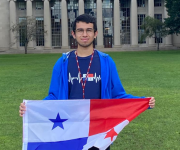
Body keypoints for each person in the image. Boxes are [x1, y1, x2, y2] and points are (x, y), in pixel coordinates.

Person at [19, 14, 155, 150]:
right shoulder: (62, 63)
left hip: (98, 131)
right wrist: (31, 108)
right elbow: (54, 96)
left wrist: (143, 102)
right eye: (80, 30)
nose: (85, 34)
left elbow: (118, 94)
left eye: (89, 30)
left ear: (95, 34)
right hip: (69, 130)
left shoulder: (106, 62)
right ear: (73, 34)